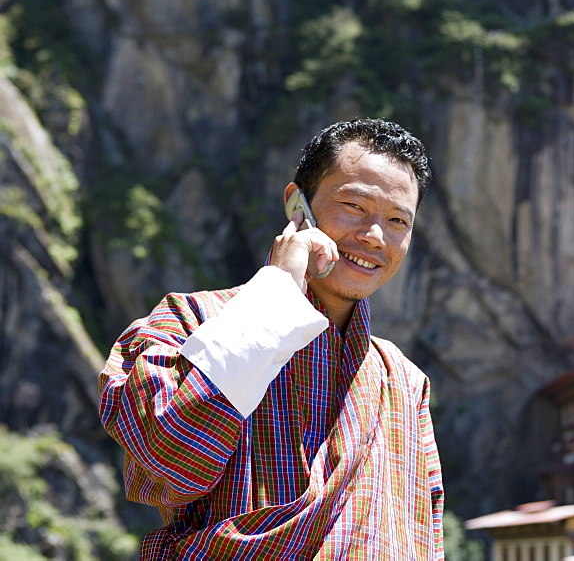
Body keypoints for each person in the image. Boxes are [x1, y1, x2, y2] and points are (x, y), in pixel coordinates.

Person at [99, 119, 444, 559]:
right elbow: (168, 461)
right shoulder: (190, 320)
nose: (375, 235)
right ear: (297, 203)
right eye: (354, 206)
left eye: (397, 220)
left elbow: (425, 540)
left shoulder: (403, 381)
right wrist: (277, 292)